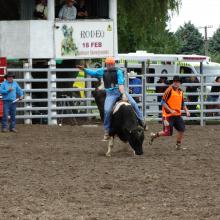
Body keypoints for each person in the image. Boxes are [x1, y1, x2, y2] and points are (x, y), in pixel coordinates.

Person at [77, 57, 146, 140]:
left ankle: (142, 121)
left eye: (111, 64)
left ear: (113, 64)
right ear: (106, 64)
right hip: (110, 94)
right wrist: (84, 69)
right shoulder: (103, 71)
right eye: (108, 64)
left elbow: (120, 83)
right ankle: (107, 130)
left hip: (120, 91)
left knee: (134, 104)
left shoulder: (118, 71)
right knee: (107, 110)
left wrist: (123, 94)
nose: (110, 65)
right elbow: (93, 72)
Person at [149, 75, 190, 150]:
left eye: (177, 82)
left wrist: (186, 111)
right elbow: (162, 102)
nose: (176, 83)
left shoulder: (180, 91)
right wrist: (171, 110)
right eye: (174, 81)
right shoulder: (169, 90)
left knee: (182, 129)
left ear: (180, 83)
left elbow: (182, 103)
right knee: (167, 133)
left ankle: (178, 145)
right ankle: (154, 135)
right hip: (167, 115)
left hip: (177, 115)